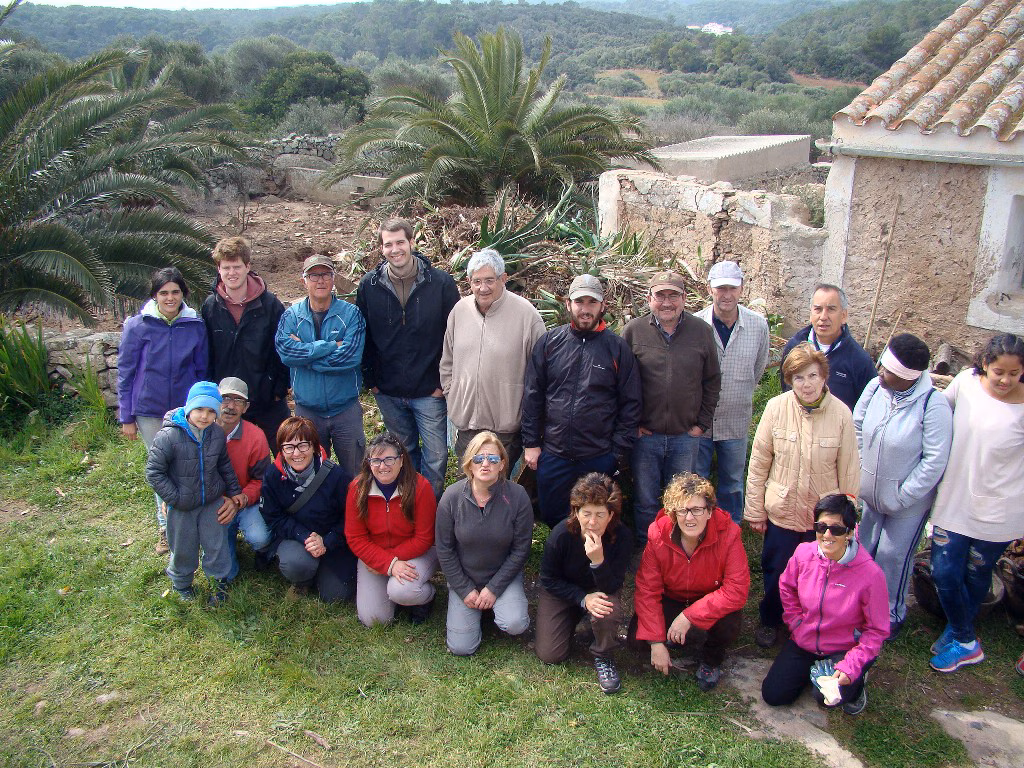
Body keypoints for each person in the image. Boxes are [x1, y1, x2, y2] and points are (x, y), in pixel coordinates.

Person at [745, 342, 860, 649]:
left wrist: (847, 520)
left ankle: (808, 624)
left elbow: (849, 469)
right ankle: (770, 620)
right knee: (777, 570)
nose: (806, 384)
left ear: (824, 377)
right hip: (781, 510)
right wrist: (755, 510)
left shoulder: (841, 415)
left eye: (812, 376)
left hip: (821, 518)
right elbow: (759, 462)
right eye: (798, 378)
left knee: (817, 575)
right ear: (789, 381)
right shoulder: (776, 408)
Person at [927, 333, 1024, 672]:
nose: (1005, 380)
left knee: (977, 572)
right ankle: (966, 636)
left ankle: (958, 634)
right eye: (999, 371)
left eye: (1014, 374)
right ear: (984, 364)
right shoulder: (965, 384)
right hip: (956, 497)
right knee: (943, 570)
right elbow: (937, 412)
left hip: (1000, 508)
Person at [521, 274, 642, 528]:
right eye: (579, 302)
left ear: (602, 306)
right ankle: (559, 564)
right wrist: (531, 443)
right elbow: (533, 395)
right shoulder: (550, 343)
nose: (585, 309)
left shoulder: (617, 349)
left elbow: (631, 404)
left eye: (591, 302)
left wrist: (617, 453)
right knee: (554, 517)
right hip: (554, 454)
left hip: (598, 456)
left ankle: (593, 564)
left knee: (595, 520)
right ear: (568, 304)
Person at [853, 333, 952, 638]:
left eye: (888, 370)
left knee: (893, 557)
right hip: (870, 494)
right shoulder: (875, 388)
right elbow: (857, 424)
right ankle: (859, 607)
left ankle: (890, 614)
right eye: (882, 365)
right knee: (865, 550)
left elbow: (934, 461)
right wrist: (861, 469)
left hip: (906, 503)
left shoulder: (933, 406)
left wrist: (902, 496)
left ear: (907, 377)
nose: (880, 372)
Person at [357, 219, 460, 498]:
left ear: (412, 243)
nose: (395, 249)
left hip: (429, 390)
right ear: (381, 249)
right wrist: (372, 381)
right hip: (388, 391)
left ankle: (432, 511)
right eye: (388, 244)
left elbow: (455, 336)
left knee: (436, 457)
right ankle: (410, 509)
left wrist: (443, 383)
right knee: (404, 455)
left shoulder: (440, 284)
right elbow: (362, 335)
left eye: (400, 242)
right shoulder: (369, 286)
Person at [761, 494, 889, 715]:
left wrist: (851, 666)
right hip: (805, 640)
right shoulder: (803, 553)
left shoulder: (870, 574)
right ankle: (811, 672)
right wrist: (795, 622)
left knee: (824, 697)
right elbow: (786, 587)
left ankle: (857, 682)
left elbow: (876, 630)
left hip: (843, 648)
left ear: (850, 532)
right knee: (773, 695)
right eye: (821, 527)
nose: (827, 535)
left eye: (837, 529)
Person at [623, 271, 721, 545]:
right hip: (646, 437)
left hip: (685, 438)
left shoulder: (701, 332)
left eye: (673, 296)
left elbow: (712, 380)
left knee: (682, 500)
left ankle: (676, 550)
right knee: (644, 500)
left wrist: (701, 424)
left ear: (684, 299)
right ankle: (648, 551)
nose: (667, 302)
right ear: (649, 299)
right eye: (660, 296)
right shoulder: (633, 331)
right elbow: (619, 384)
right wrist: (633, 425)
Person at [629, 473, 749, 692]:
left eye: (697, 510)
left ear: (710, 511)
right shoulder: (658, 533)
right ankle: (670, 639)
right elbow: (647, 589)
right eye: (682, 510)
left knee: (728, 623)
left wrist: (688, 616)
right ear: (673, 513)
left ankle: (711, 660)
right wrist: (655, 642)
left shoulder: (729, 534)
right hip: (673, 597)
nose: (689, 518)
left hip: (708, 598)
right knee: (636, 641)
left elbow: (736, 590)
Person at [119, 267, 208, 555]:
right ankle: (165, 528)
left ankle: (190, 524)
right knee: (162, 468)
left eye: (175, 292)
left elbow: (201, 369)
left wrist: (201, 407)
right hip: (149, 410)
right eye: (164, 293)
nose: (170, 298)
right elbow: (126, 371)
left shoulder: (195, 325)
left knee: (187, 465)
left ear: (184, 294)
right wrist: (126, 416)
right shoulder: (138, 325)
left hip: (185, 411)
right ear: (154, 295)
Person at [440, 248, 545, 469]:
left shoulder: (527, 316)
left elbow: (542, 374)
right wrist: (453, 395)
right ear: (469, 281)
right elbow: (447, 362)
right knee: (468, 487)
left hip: (505, 429)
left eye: (490, 280)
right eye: (477, 281)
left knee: (497, 490)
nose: (483, 288)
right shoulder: (459, 311)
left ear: (503, 279)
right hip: (467, 425)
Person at [435, 432, 533, 656]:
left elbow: (521, 550)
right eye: (478, 459)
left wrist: (493, 589)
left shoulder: (518, 497)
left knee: (515, 623)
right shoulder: (451, 497)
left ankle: (496, 606)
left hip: (502, 578)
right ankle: (476, 608)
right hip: (465, 579)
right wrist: (464, 589)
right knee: (461, 648)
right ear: (469, 464)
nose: (485, 464)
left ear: (502, 465)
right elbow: (444, 549)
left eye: (493, 459)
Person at [145, 381, 241, 606]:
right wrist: (174, 498)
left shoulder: (216, 434)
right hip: (182, 506)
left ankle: (218, 583)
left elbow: (224, 465)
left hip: (211, 501)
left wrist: (234, 491)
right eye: (199, 409)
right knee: (183, 546)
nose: (204, 416)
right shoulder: (168, 436)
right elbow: (154, 473)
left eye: (211, 411)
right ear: (188, 408)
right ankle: (181, 583)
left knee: (216, 545)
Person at [537, 473, 633, 695]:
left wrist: (598, 561)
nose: (592, 522)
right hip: (563, 591)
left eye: (600, 514)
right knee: (550, 654)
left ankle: (603, 654)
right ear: (576, 512)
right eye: (586, 513)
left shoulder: (622, 537)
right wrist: (581, 598)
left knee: (606, 609)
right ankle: (573, 619)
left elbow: (612, 586)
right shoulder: (561, 535)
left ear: (611, 515)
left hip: (600, 590)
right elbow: (548, 579)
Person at [275, 254, 366, 477]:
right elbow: (286, 354)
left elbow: (349, 357)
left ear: (334, 279)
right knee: (310, 475)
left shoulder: (351, 314)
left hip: (345, 409)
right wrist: (329, 346)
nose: (320, 280)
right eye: (313, 275)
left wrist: (305, 357)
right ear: (303, 281)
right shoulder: (291, 316)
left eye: (326, 274)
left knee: (355, 474)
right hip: (308, 411)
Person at [695, 261, 770, 524]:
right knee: (697, 481)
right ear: (709, 289)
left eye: (732, 288)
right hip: (700, 421)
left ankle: (729, 532)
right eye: (720, 288)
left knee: (733, 483)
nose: (726, 295)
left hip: (736, 419)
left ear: (741, 289)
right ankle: (699, 529)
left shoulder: (758, 326)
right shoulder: (695, 324)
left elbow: (757, 370)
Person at [202, 236, 291, 453]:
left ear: (248, 267)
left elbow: (283, 348)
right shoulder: (211, 307)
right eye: (226, 267)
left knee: (285, 452)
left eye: (237, 267)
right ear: (218, 269)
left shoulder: (269, 304)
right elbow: (207, 353)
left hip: (266, 398)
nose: (232, 273)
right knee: (227, 458)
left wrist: (278, 388)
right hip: (226, 401)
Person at [345, 432, 439, 627]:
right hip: (375, 556)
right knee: (374, 620)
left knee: (401, 590)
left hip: (416, 553)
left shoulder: (420, 487)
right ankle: (394, 597)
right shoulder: (357, 488)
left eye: (389, 459)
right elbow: (355, 538)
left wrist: (390, 562)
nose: (383, 466)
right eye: (376, 460)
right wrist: (386, 562)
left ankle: (426, 597)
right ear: (369, 462)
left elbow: (424, 538)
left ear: (401, 460)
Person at [260, 417, 357, 602]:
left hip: (333, 540)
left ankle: (323, 572)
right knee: (296, 564)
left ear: (314, 446)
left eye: (303, 445)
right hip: (298, 539)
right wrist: (303, 535)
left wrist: (326, 541)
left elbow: (351, 518)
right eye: (289, 447)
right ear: (280, 450)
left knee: (336, 596)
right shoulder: (273, 475)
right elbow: (273, 516)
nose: (296, 453)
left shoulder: (336, 476)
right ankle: (303, 579)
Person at [779, 284, 876, 412]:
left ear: (843, 315)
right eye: (818, 309)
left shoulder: (859, 360)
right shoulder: (794, 347)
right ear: (811, 314)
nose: (823, 317)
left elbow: (868, 407)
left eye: (831, 309)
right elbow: (785, 386)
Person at [216, 377, 274, 582]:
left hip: (245, 501)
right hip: (215, 504)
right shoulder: (202, 431)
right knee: (224, 570)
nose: (230, 406)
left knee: (260, 538)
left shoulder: (256, 436)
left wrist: (239, 499)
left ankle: (263, 551)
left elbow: (262, 480)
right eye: (225, 398)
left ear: (246, 407)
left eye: (238, 401)